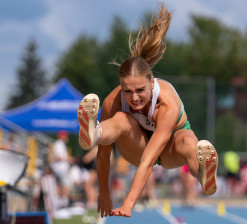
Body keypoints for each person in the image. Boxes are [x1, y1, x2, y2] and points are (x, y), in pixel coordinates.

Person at [77, 3, 218, 218]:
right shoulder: (112, 101)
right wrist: (103, 193)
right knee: (121, 119)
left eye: (140, 90)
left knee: (190, 142)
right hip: (137, 146)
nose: (134, 98)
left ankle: (204, 177)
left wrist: (129, 204)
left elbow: (150, 161)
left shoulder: (167, 103)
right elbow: (105, 152)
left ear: (152, 83)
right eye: (127, 91)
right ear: (120, 86)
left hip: (170, 149)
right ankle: (93, 131)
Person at [51, 130, 72, 208]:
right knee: (64, 184)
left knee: (60, 185)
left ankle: (60, 202)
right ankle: (64, 202)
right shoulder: (59, 144)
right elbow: (58, 157)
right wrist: (69, 159)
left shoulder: (60, 144)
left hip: (59, 168)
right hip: (61, 168)